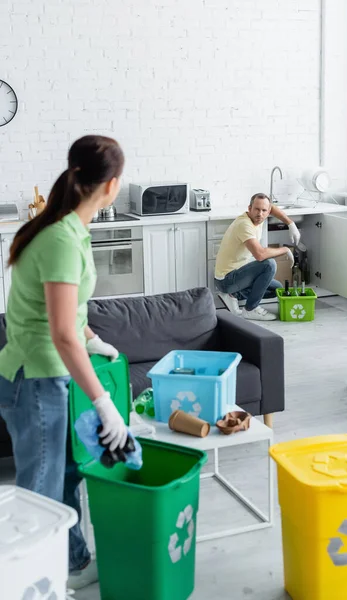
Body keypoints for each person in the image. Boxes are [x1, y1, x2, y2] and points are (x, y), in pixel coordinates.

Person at [0, 135, 128, 591]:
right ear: (111, 186)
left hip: (50, 372)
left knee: (67, 473)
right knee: (41, 489)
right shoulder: (59, 238)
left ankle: (70, 561)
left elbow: (68, 312)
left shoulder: (70, 229)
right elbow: (59, 332)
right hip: (35, 377)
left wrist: (95, 340)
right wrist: (103, 402)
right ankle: (34, 581)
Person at [215, 193, 301, 321]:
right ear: (249, 208)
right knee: (269, 264)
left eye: (264, 210)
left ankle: (233, 295)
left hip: (238, 274)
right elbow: (260, 255)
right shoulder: (244, 224)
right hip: (227, 279)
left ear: (268, 212)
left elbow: (272, 207)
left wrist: (290, 223)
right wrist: (285, 249)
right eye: (256, 209)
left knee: (276, 289)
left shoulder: (260, 217)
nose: (260, 213)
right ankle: (250, 309)